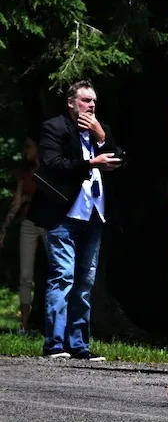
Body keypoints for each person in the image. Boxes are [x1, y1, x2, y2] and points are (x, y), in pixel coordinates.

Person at [29, 80, 123, 360]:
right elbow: (53, 165)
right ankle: (54, 345)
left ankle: (79, 345)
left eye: (94, 101)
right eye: (85, 100)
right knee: (63, 277)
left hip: (94, 215)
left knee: (85, 281)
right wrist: (92, 163)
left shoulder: (100, 130)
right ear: (71, 103)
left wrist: (101, 136)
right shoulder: (54, 128)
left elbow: (121, 159)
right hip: (64, 214)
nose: (91, 105)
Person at [0, 137, 43, 332]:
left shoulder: (50, 168)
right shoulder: (24, 172)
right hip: (28, 223)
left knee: (58, 271)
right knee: (25, 276)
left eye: (28, 146)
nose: (25, 150)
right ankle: (24, 326)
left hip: (49, 223)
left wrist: (31, 198)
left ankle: (56, 324)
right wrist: (5, 226)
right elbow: (16, 202)